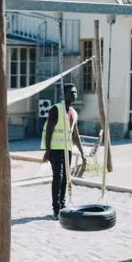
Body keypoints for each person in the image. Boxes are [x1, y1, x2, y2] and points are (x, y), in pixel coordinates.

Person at [41, 83, 87, 219]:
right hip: (55, 149)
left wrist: (82, 152)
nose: (74, 94)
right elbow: (48, 131)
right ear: (64, 94)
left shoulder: (74, 113)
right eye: (71, 92)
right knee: (58, 176)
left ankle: (62, 205)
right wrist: (47, 151)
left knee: (66, 177)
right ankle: (56, 209)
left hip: (67, 150)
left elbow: (75, 134)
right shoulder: (55, 109)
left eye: (75, 92)